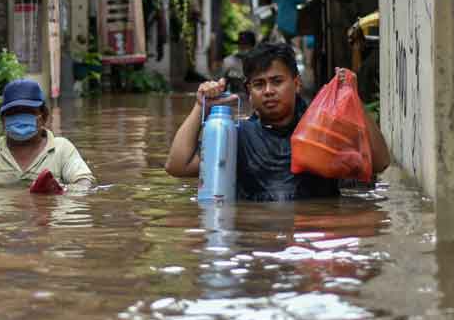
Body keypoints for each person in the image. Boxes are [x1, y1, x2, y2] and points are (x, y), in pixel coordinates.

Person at [164, 42, 391, 201]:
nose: (269, 91)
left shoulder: (324, 130)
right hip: (258, 237)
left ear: (297, 83)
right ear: (248, 91)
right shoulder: (237, 136)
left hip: (311, 240)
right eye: (259, 84)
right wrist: (199, 107)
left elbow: (379, 163)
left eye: (277, 81)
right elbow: (177, 166)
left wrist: (353, 98)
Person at [0, 79, 95, 190]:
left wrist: (60, 190)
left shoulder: (61, 149)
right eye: (13, 113)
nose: (19, 118)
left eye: (27, 112)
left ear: (44, 116)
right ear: (3, 120)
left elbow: (84, 183)